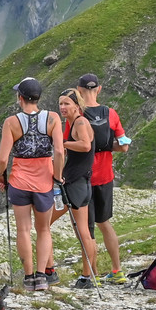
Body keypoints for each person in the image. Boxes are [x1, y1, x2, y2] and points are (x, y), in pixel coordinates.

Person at [0, 78, 65, 291]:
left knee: (23, 229)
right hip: (44, 181)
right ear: (39, 98)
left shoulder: (11, 122)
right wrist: (57, 176)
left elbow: (2, 159)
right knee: (43, 229)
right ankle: (42, 277)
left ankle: (28, 277)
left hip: (19, 181)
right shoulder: (53, 119)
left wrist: (0, 176)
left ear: (20, 98)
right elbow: (60, 152)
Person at [77, 74, 128, 284]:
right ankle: (117, 270)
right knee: (104, 223)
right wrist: (107, 148)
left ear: (79, 90)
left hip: (83, 176)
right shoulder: (111, 113)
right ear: (99, 89)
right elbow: (124, 146)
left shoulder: (77, 114)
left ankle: (92, 273)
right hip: (106, 175)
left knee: (86, 230)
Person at [58, 89, 102, 290]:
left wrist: (62, 143)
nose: (63, 108)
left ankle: (85, 276)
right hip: (80, 181)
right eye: (60, 104)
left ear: (77, 105)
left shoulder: (81, 122)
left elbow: (85, 145)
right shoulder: (74, 123)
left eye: (67, 103)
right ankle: (90, 273)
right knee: (82, 231)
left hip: (76, 183)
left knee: (82, 231)